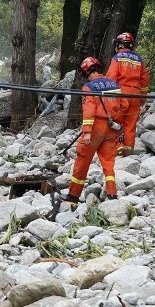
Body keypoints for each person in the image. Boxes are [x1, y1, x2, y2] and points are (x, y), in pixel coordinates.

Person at [66, 57, 127, 203]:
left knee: (82, 159)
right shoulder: (114, 84)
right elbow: (124, 105)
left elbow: (89, 110)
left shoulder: (89, 87)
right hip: (111, 127)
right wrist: (115, 121)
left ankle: (73, 196)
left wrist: (87, 131)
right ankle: (112, 194)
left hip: (95, 128)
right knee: (108, 162)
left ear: (86, 72)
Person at [106, 32, 150, 156]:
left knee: (117, 120)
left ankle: (118, 147)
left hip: (121, 93)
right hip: (135, 94)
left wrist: (108, 98)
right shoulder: (139, 59)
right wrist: (143, 96)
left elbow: (111, 78)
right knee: (131, 123)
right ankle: (128, 150)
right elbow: (145, 80)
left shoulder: (117, 58)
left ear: (120, 45)